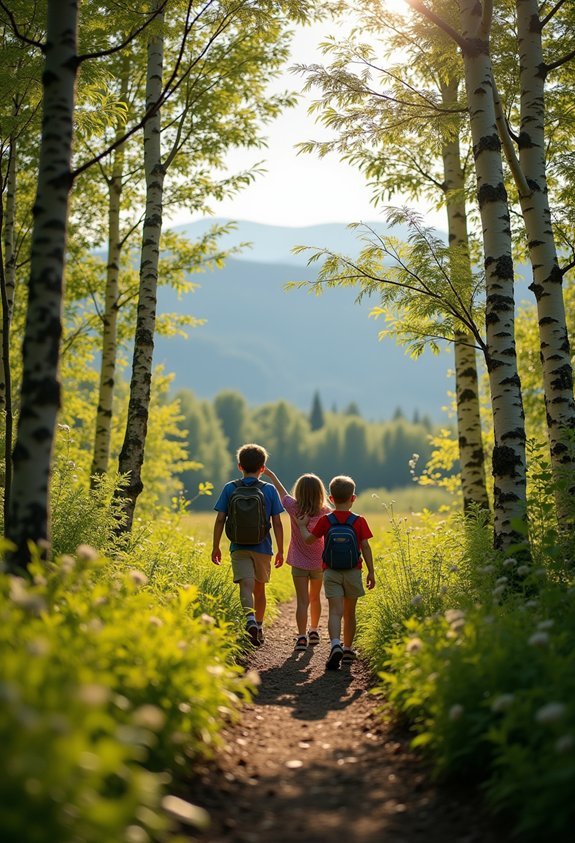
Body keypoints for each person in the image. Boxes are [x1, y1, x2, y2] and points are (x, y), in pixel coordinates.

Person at [297, 474, 376, 670]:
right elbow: (365, 547)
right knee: (350, 613)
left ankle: (335, 645)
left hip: (331, 571)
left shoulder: (326, 520)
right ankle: (348, 650)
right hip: (353, 571)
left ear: (331, 499)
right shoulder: (359, 521)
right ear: (353, 498)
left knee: (335, 611)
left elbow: (309, 540)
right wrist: (371, 572)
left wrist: (301, 526)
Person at [212, 443, 284, 646]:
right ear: (263, 468)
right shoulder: (269, 490)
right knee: (259, 590)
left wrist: (216, 546)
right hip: (263, 547)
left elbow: (220, 519)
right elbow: (277, 523)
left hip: (238, 546)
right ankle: (259, 627)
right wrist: (280, 549)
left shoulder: (230, 488)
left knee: (245, 584)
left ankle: (249, 620)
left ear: (239, 466)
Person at [263, 467, 331, 652]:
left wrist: (271, 475)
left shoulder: (294, 508)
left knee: (302, 601)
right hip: (318, 562)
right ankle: (314, 630)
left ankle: (301, 637)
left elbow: (282, 492)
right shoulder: (326, 512)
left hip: (299, 562)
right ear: (320, 492)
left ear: (299, 491)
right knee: (315, 598)